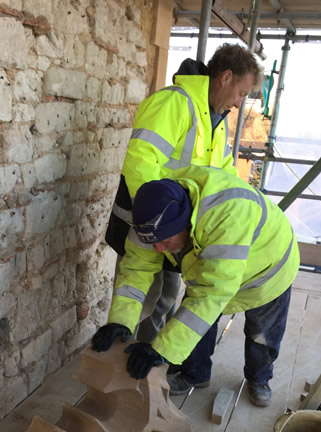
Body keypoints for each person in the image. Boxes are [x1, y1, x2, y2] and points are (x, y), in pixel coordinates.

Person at [93, 167, 299, 407]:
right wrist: (120, 321)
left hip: (267, 271)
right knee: (193, 322)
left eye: (165, 241)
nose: (159, 249)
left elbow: (211, 294)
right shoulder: (151, 216)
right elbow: (135, 272)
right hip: (213, 266)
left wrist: (161, 350)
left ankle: (258, 380)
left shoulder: (228, 215)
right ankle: (195, 374)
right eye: (153, 243)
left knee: (261, 334)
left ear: (184, 225)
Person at [105, 43, 262, 348]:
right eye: (242, 93)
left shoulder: (215, 121)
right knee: (139, 298)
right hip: (153, 225)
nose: (241, 103)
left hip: (181, 231)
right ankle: (119, 365)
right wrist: (158, 221)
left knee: (163, 302)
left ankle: (144, 366)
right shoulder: (174, 103)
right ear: (226, 77)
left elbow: (225, 177)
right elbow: (140, 163)